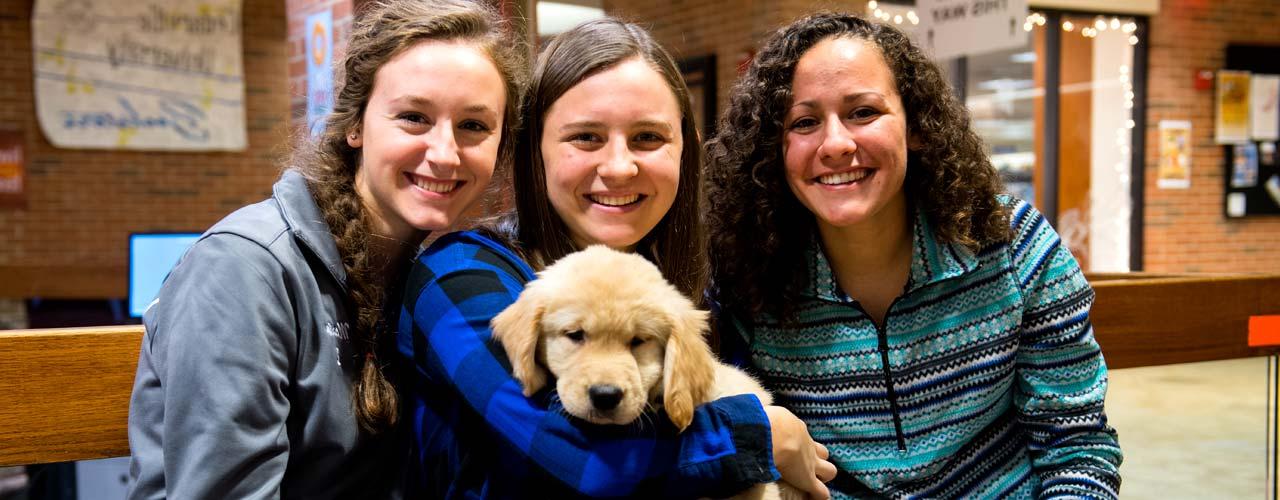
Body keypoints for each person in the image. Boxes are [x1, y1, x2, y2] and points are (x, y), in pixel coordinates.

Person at [396, 18, 836, 499]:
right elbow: (586, 462)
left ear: (683, 152)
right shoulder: (461, 275)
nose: (620, 167)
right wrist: (761, 434)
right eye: (585, 137)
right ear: (534, 151)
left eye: (648, 137)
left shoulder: (691, 295)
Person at [704, 12, 1123, 499]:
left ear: (917, 126)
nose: (836, 143)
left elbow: (1075, 445)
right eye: (804, 122)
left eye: (863, 112)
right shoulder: (747, 275)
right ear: (772, 149)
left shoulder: (1014, 245)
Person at [126, 1, 526, 498]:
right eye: (413, 117)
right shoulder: (244, 268)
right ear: (354, 125)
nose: (444, 153)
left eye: (473, 126)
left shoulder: (429, 273)